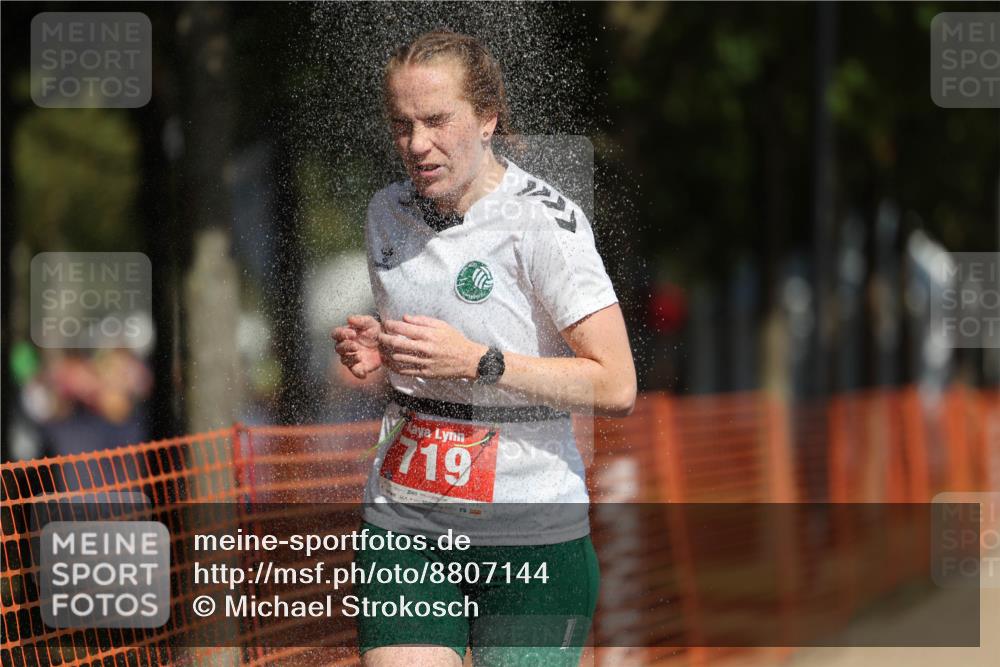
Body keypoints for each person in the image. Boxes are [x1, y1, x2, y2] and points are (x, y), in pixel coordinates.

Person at [332, 29, 636, 667]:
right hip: (408, 521)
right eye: (402, 125)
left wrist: (479, 362)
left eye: (437, 121)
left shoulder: (544, 223)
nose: (418, 145)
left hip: (532, 532)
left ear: (488, 119)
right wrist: (384, 352)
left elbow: (615, 386)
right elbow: (435, 344)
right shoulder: (385, 213)